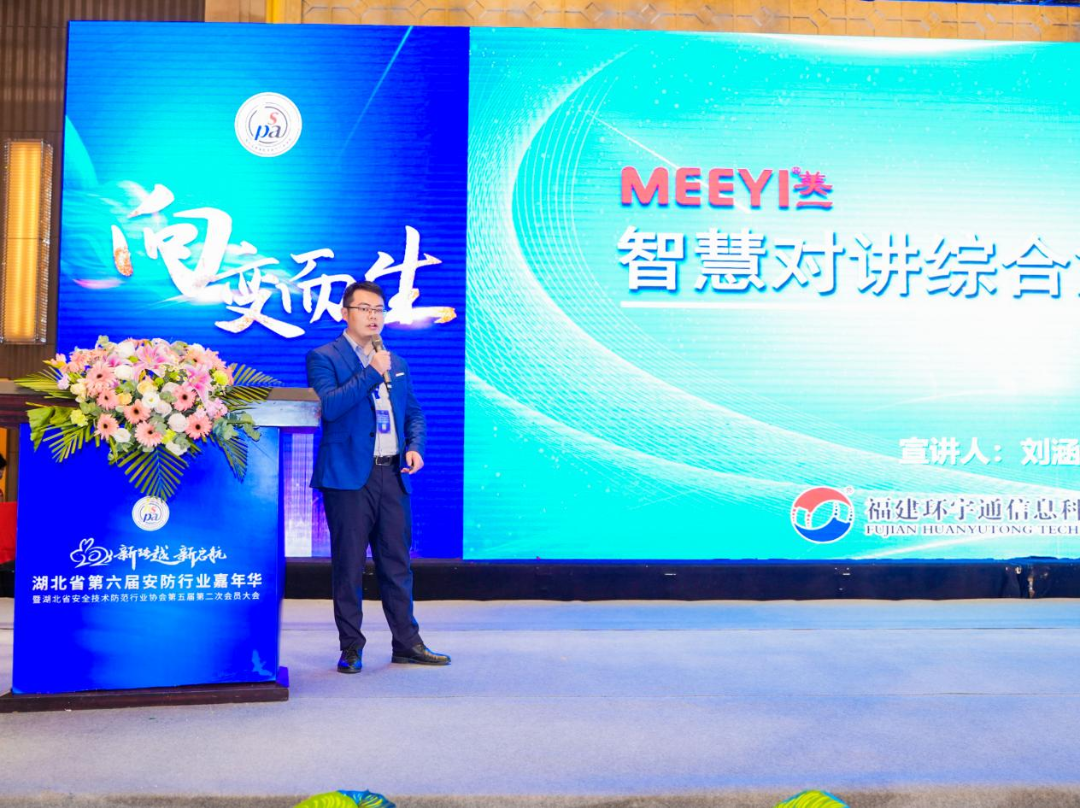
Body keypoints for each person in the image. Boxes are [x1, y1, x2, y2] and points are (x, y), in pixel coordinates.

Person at [306, 280, 450, 673]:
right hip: (348, 479)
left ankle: (407, 642)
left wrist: (415, 446)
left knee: (397, 564)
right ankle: (351, 648)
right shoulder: (323, 357)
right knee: (349, 566)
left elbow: (413, 413)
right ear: (345, 313)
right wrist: (371, 371)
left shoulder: (395, 361)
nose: (373, 316)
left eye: (379, 310)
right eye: (364, 309)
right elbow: (331, 407)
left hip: (392, 475)